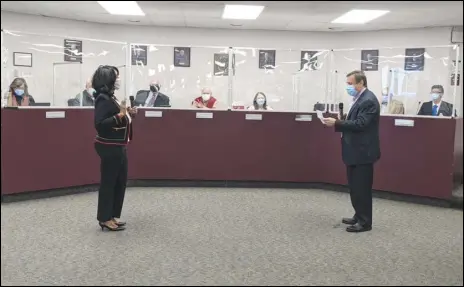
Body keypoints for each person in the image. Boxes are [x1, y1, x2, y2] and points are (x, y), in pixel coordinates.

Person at [322, 70, 381, 233]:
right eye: (347, 83)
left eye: (350, 84)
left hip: (363, 152)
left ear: (361, 83)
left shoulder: (368, 100)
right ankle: (358, 215)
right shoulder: (358, 98)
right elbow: (354, 121)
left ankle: (365, 222)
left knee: (362, 188)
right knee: (355, 187)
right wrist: (340, 121)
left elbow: (361, 124)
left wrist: (337, 123)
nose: (348, 87)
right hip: (354, 151)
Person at [93, 65, 137, 232]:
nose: (118, 80)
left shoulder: (111, 97)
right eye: (116, 77)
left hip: (119, 145)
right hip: (109, 146)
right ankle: (104, 218)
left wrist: (128, 114)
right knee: (109, 183)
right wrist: (119, 116)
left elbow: (119, 115)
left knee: (119, 182)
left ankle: (112, 216)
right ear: (108, 79)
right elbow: (100, 124)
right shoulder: (102, 99)